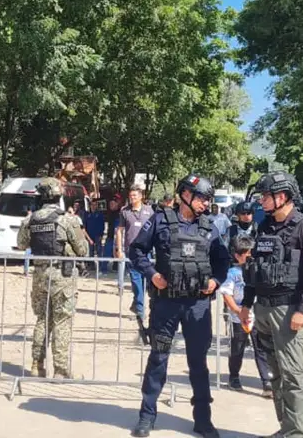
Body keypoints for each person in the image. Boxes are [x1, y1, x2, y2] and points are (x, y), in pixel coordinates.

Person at [129, 174, 229, 438]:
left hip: (197, 305)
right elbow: (136, 251)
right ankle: (146, 417)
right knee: (158, 358)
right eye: (202, 198)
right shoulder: (159, 220)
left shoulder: (210, 226)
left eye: (207, 200)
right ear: (185, 194)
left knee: (198, 363)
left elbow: (223, 261)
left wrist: (215, 281)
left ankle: (203, 420)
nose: (206, 204)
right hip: (167, 303)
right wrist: (152, 275)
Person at [239, 172, 303, 438]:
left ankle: (295, 433)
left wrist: (302, 310)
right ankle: (285, 428)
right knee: (275, 374)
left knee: (293, 377)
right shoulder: (265, 226)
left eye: (266, 196)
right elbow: (256, 268)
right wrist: (246, 304)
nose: (261, 201)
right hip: (263, 309)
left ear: (282, 196)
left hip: (289, 311)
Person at [16, 177, 87, 378]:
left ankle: (37, 365)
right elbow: (83, 249)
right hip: (62, 276)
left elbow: (21, 245)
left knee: (42, 319)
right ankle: (61, 370)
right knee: (62, 321)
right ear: (58, 196)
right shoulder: (67, 220)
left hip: (40, 275)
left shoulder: (31, 220)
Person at [217, 235, 272, 395]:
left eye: (251, 254)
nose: (249, 257)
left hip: (257, 315)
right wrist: (237, 311)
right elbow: (227, 294)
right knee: (237, 348)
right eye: (246, 254)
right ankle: (234, 376)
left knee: (261, 348)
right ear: (237, 255)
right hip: (238, 317)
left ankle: (266, 381)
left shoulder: (258, 270)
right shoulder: (232, 273)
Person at [116, 186, 154, 343]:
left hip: (146, 251)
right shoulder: (125, 212)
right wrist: (119, 249)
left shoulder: (149, 211)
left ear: (141, 196)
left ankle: (137, 302)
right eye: (130, 196)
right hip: (131, 251)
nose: (132, 198)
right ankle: (140, 308)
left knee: (146, 281)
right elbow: (120, 230)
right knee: (136, 280)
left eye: (135, 195)